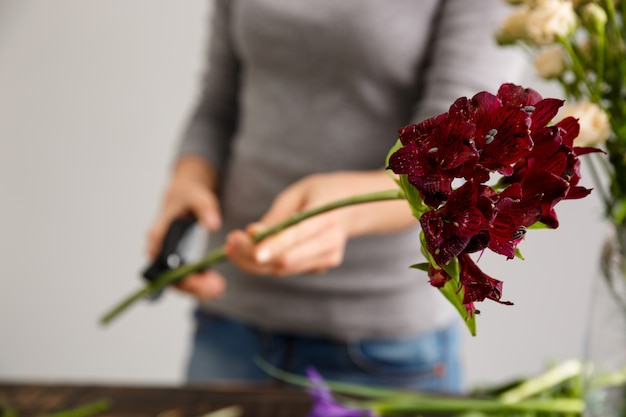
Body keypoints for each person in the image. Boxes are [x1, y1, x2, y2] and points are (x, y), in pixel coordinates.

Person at [147, 0, 526, 393]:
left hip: (383, 347)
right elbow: (218, 107)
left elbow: (455, 158)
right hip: (230, 322)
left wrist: (343, 212)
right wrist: (189, 181)